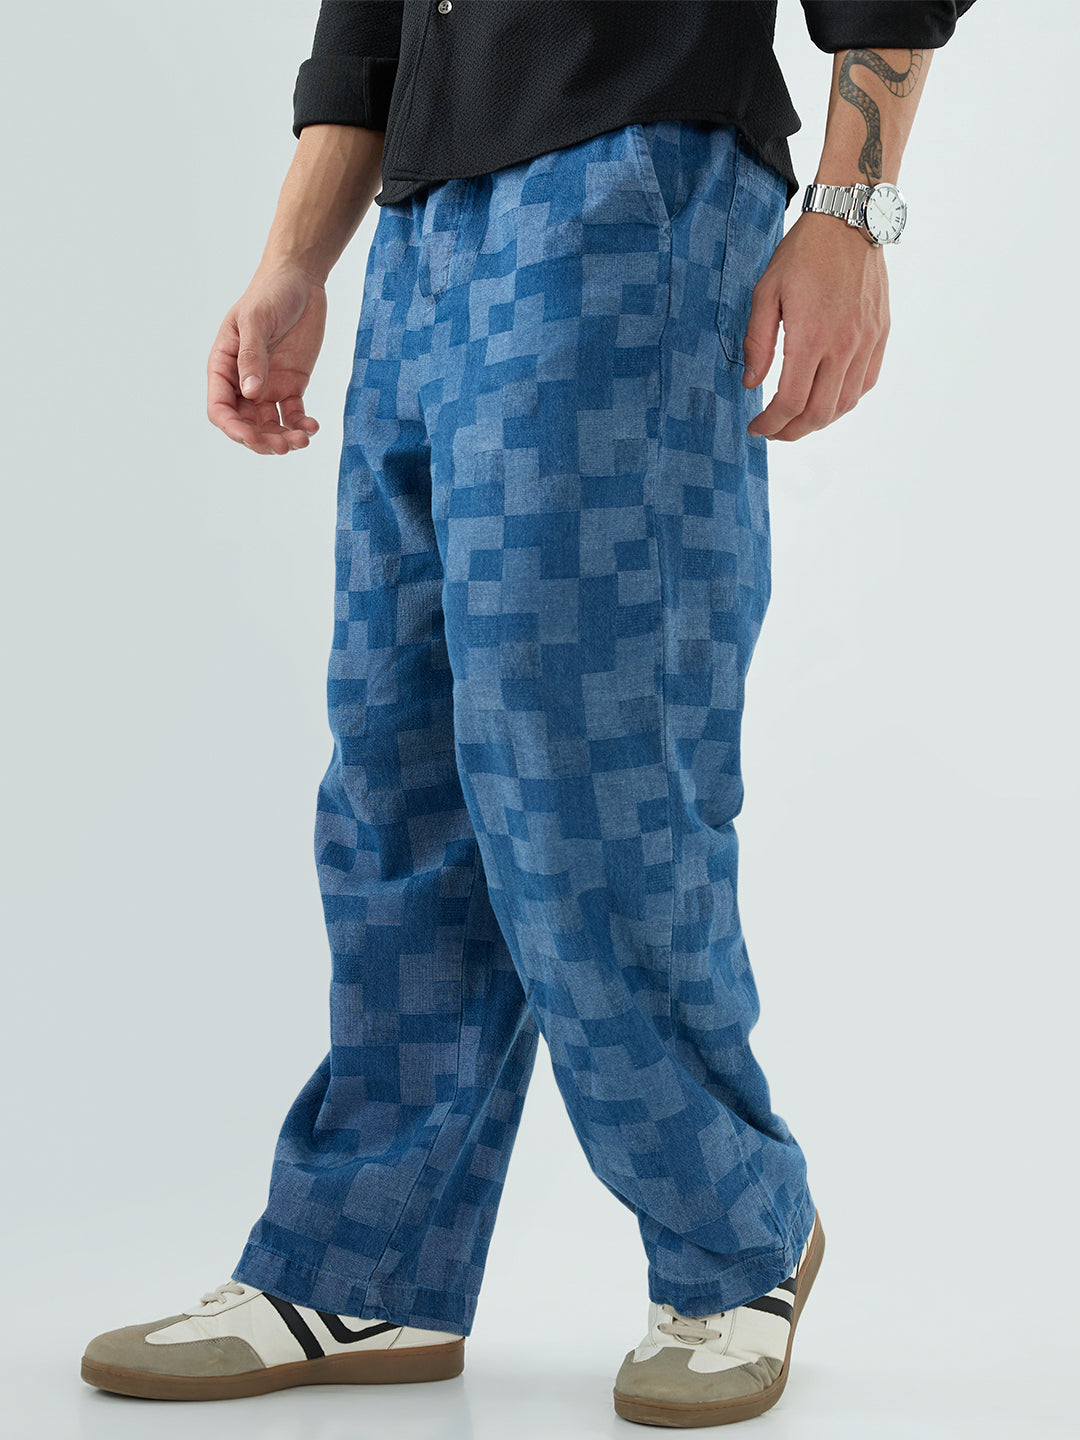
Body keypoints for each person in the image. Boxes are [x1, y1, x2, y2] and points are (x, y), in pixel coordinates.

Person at [80, 1, 977, 1425]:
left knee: (589, 758)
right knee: (398, 773)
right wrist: (295, 259)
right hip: (423, 224)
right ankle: (363, 1263)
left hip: (631, 182)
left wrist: (851, 212)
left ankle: (735, 1238)